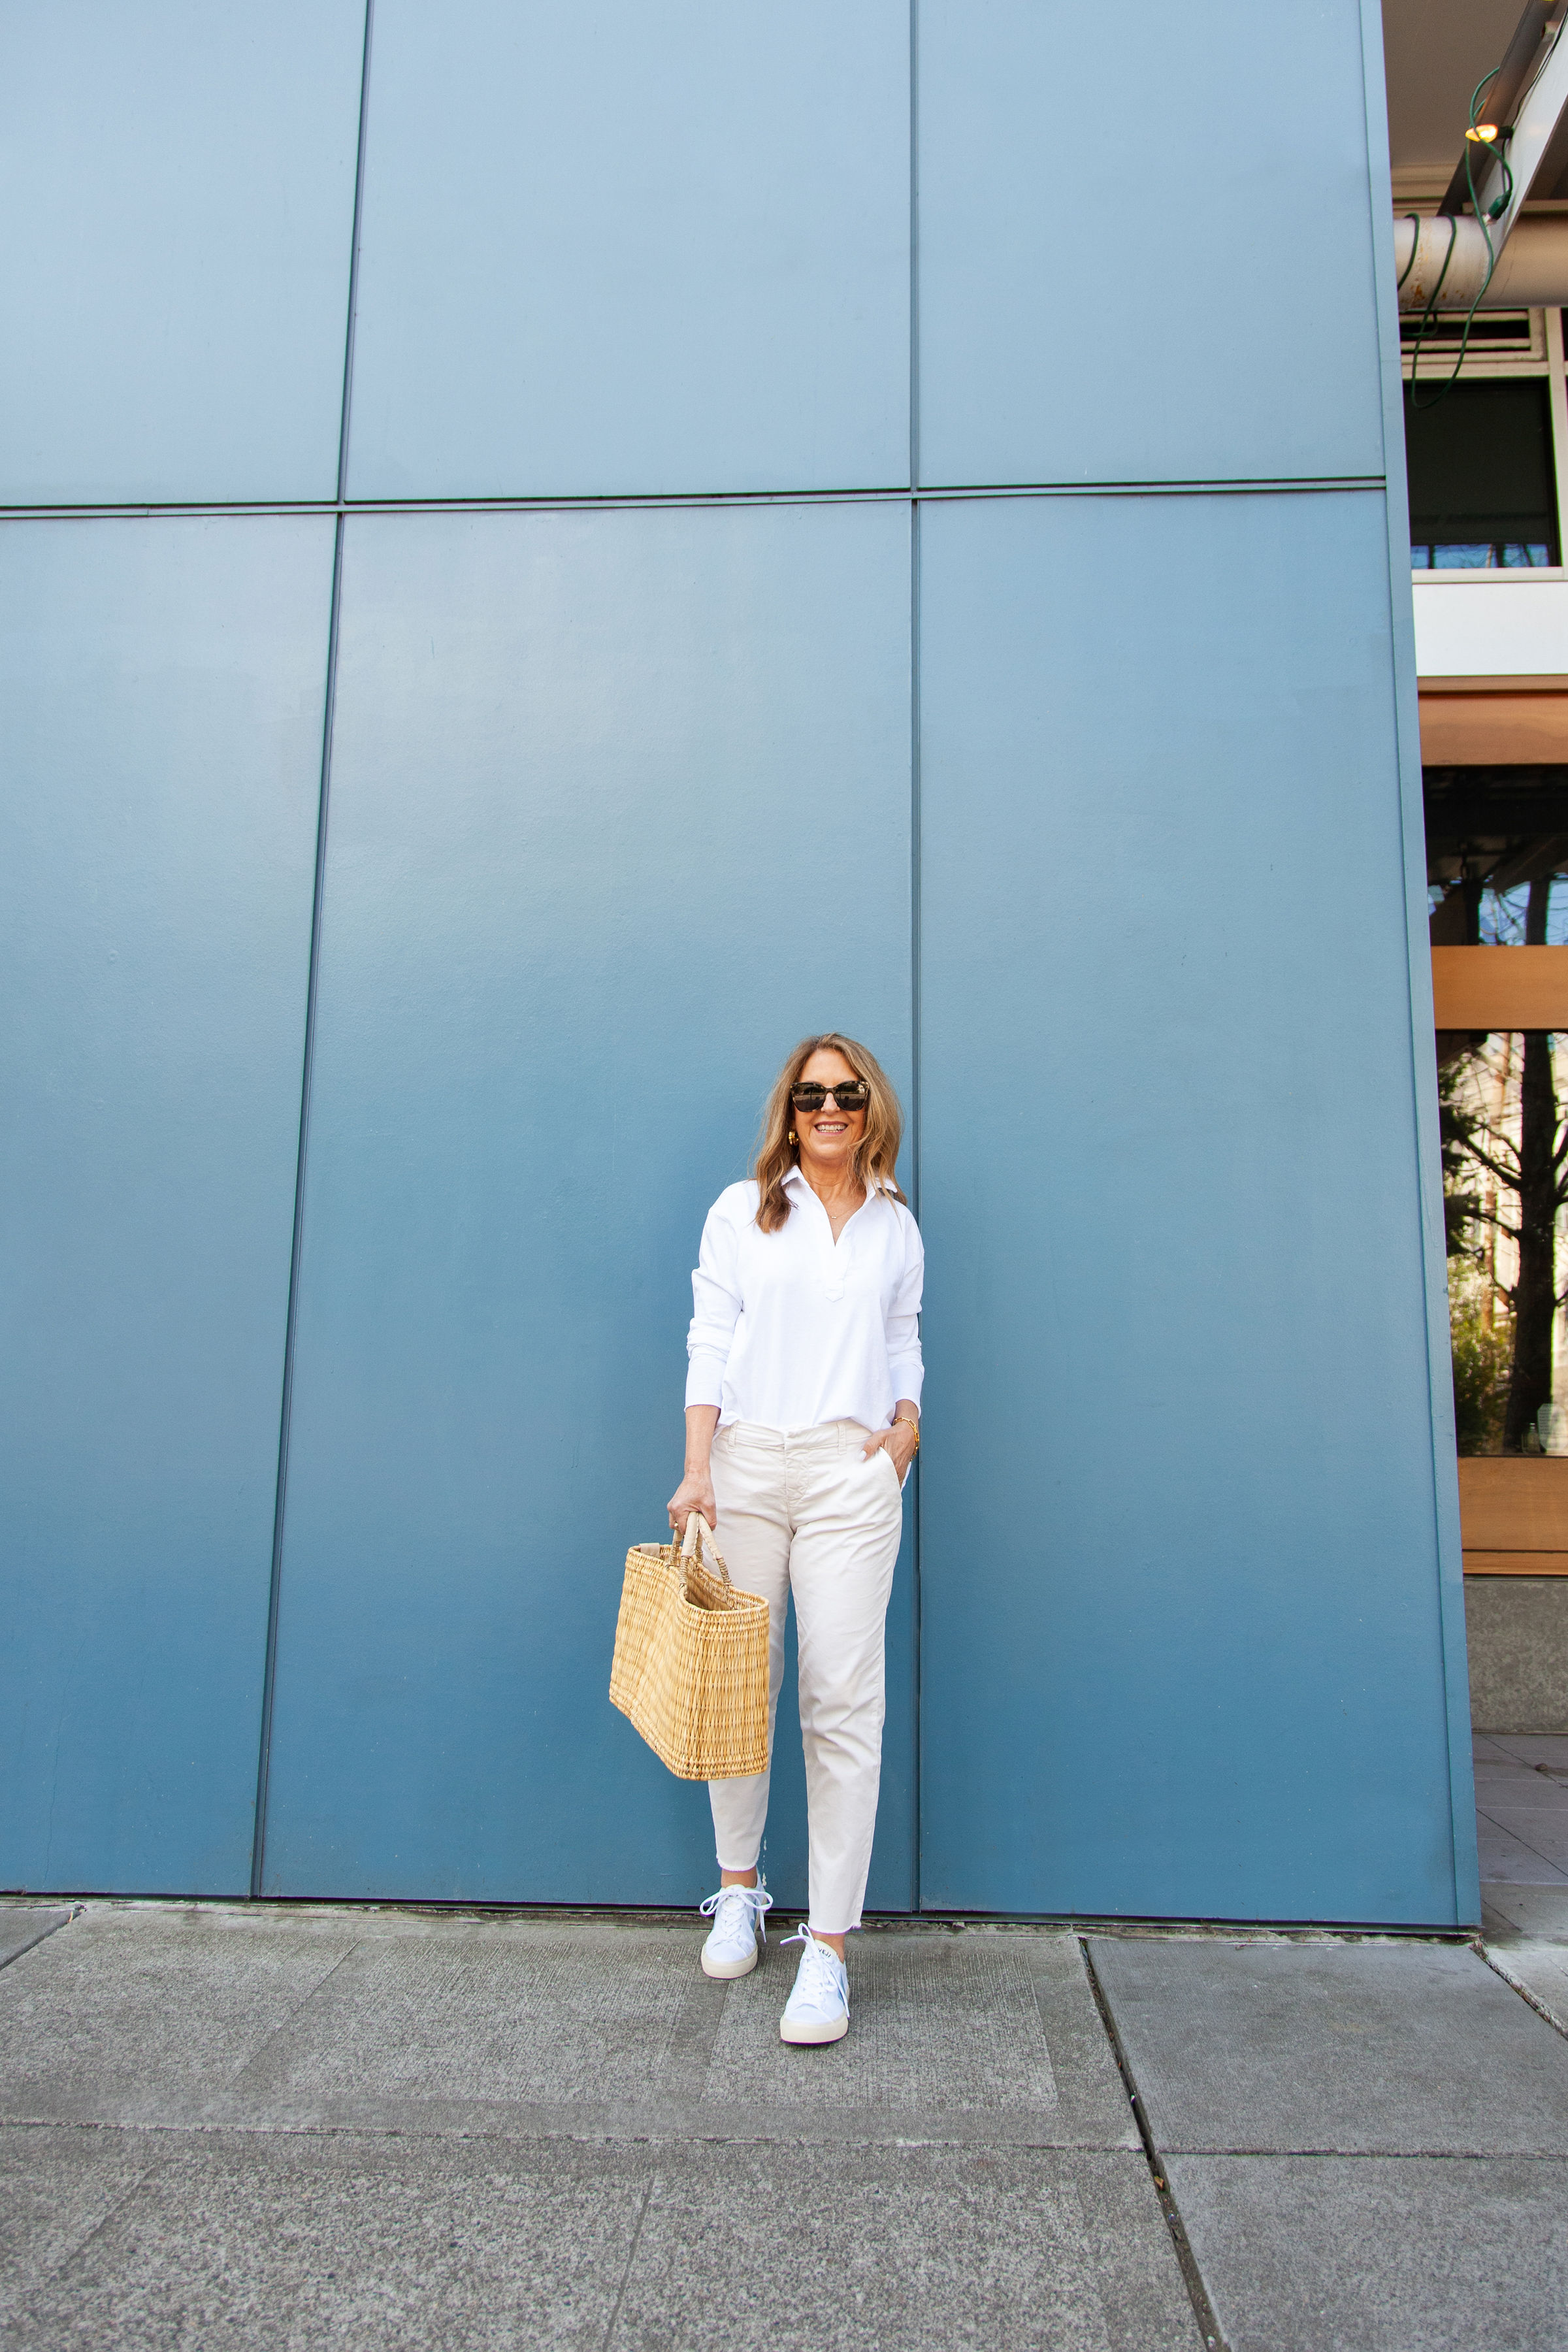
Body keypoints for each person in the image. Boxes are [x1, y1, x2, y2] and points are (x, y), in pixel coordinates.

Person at [667, 1032, 923, 2046]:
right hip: (744, 1467)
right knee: (740, 1683)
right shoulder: (743, 1210)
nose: (830, 1107)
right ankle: (740, 1890)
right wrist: (696, 1470)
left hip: (848, 1475)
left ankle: (828, 1948)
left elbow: (906, 1332)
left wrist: (905, 1427)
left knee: (841, 1699)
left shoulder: (897, 1225)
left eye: (847, 1092)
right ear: (790, 1108)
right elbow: (709, 1339)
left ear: (871, 1108)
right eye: (813, 1093)